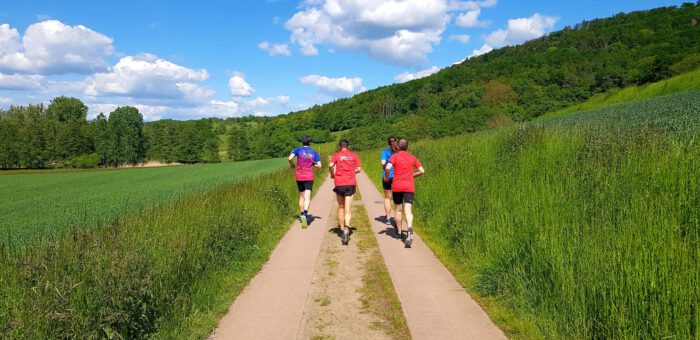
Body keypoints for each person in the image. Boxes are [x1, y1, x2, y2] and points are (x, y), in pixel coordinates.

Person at [384, 139, 425, 247]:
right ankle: (410, 228)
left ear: (398, 147)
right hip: (409, 187)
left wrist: (387, 177)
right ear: (407, 147)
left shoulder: (395, 156)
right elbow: (422, 171)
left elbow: (387, 168)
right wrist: (412, 176)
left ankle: (399, 233)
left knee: (398, 210)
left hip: (397, 186)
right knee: (408, 209)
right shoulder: (412, 157)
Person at [329, 139, 362, 245]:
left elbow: (330, 165)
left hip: (339, 183)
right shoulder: (354, 155)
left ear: (339, 146)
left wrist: (332, 174)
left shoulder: (336, 155)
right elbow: (359, 169)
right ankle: (347, 229)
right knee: (348, 209)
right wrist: (353, 171)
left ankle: (342, 229)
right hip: (350, 183)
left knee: (341, 207)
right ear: (348, 146)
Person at [289, 135, 322, 228]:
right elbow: (319, 165)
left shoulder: (298, 149)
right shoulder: (314, 152)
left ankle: (301, 214)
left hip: (299, 176)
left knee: (301, 196)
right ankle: (305, 214)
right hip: (309, 176)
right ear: (310, 143)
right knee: (307, 197)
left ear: (302, 142)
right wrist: (314, 164)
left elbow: (290, 158)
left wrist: (292, 165)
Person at [380, 136, 399, 225]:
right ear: (396, 141)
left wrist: (385, 168)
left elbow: (383, 163)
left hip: (387, 176)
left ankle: (388, 217)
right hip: (398, 177)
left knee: (387, 197)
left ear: (388, 143)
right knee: (397, 198)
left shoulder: (385, 151)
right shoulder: (399, 151)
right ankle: (397, 218)